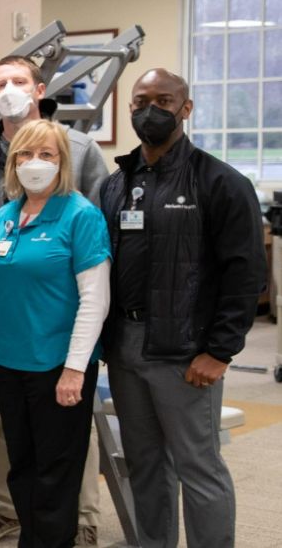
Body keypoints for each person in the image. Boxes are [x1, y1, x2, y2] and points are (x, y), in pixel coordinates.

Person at [97, 68, 265, 548]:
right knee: (145, 463)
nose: (151, 110)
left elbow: (245, 274)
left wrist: (220, 351)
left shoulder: (221, 182)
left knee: (198, 466)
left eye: (164, 100)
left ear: (185, 108)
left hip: (187, 353)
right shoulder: (117, 183)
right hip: (126, 348)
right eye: (140, 100)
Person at [0, 55, 109, 547]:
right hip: (9, 358)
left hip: (58, 359)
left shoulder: (81, 208)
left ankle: (70, 530)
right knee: (20, 463)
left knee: (58, 466)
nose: (34, 163)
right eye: (23, 157)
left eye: (44, 155)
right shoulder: (4, 213)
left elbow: (94, 297)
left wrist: (75, 367)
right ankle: (22, 527)